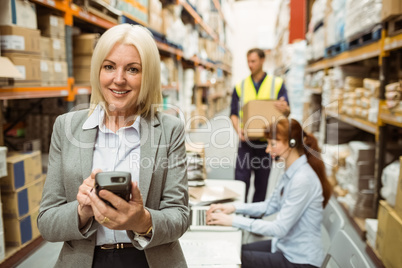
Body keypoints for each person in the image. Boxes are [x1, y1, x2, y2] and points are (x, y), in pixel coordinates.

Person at [38, 24, 190, 268]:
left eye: (133, 69)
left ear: (148, 75)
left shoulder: (170, 130)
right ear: (98, 71)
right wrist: (82, 211)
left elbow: (180, 217)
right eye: (109, 67)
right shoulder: (67, 128)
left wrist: (142, 220)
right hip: (86, 261)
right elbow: (47, 222)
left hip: (149, 259)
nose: (119, 79)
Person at [206, 118, 332, 268]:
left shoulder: (302, 179)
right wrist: (234, 208)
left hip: (299, 260)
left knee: (232, 257)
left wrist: (232, 220)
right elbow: (270, 206)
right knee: (235, 248)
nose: (267, 150)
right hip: (285, 246)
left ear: (291, 144)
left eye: (273, 144)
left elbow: (279, 229)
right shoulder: (290, 171)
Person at [230, 48, 290, 203]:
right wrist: (238, 130)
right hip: (246, 142)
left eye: (253, 61)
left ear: (263, 60)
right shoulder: (240, 86)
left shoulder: (277, 84)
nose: (250, 65)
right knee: (240, 181)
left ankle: (254, 223)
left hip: (266, 144)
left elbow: (287, 110)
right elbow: (233, 113)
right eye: (248, 61)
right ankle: (238, 216)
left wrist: (285, 108)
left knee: (261, 184)